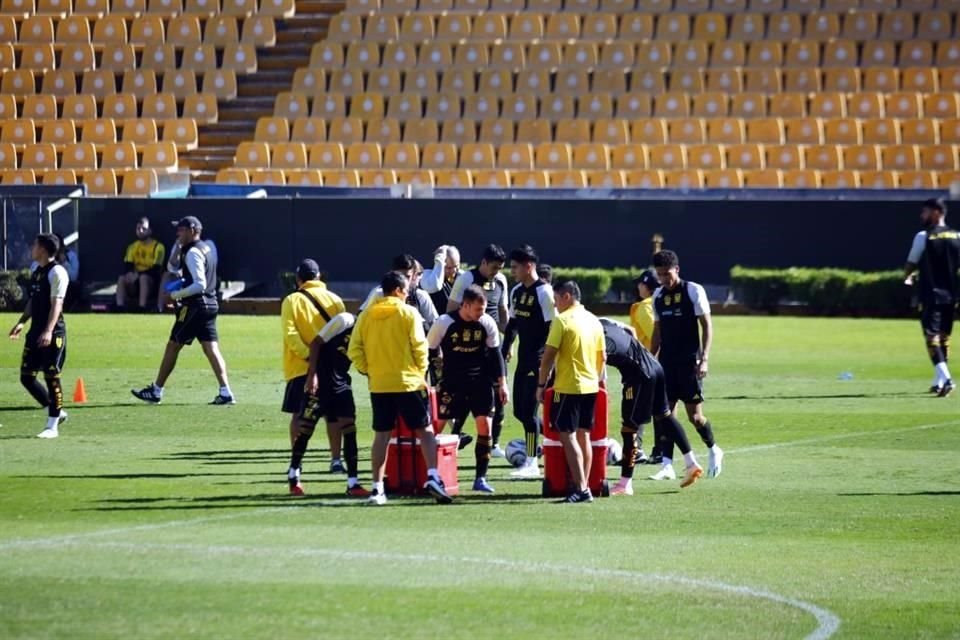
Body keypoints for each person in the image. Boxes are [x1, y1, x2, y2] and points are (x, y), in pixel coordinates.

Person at [348, 271, 453, 506]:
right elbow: (420, 347)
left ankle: (377, 488)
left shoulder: (366, 316)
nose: (407, 295)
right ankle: (433, 476)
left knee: (382, 435)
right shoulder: (408, 313)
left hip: (380, 384)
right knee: (425, 431)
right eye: (406, 291)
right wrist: (420, 373)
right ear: (397, 290)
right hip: (409, 382)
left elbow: (354, 349)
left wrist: (369, 371)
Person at [131, 216, 235, 405]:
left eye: (181, 230)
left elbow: (200, 285)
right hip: (210, 304)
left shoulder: (193, 252)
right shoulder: (204, 247)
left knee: (173, 345)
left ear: (192, 230)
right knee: (211, 348)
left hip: (196, 306)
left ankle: (156, 390)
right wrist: (178, 248)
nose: (178, 232)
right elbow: (172, 266)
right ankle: (226, 392)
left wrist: (175, 295)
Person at [279, 259, 358, 496]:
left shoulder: (292, 300)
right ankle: (336, 460)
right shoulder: (335, 300)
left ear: (299, 279)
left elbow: (291, 334)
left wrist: (307, 357)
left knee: (299, 415)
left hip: (300, 368)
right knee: (334, 417)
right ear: (319, 277)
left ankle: (297, 462)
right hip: (333, 369)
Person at [600, 318, 703, 495]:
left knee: (629, 428)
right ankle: (691, 463)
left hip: (639, 376)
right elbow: (631, 329)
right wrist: (638, 354)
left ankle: (625, 484)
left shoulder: (591, 335)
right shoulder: (603, 321)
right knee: (665, 416)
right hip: (654, 366)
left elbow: (600, 359)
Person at [649, 250, 723, 480]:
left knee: (694, 417)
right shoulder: (658, 296)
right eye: (660, 275)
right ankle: (667, 465)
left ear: (677, 270)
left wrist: (705, 358)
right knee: (665, 414)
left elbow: (707, 326)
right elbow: (657, 332)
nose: (664, 279)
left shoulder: (693, 290)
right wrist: (650, 361)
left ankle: (714, 449)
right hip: (667, 364)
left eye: (667, 274)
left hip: (690, 362)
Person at [428, 284, 509, 494]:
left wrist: (503, 384)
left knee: (485, 427)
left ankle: (480, 478)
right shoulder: (444, 323)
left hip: (480, 383)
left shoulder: (486, 323)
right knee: (435, 428)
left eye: (483, 310)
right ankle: (428, 474)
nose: (481, 314)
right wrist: (430, 379)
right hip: (451, 383)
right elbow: (428, 351)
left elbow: (495, 355)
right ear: (465, 305)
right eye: (477, 310)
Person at [536, 281, 606, 503]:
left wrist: (541, 384)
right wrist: (596, 379)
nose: (555, 305)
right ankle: (584, 485)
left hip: (568, 387)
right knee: (584, 434)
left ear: (566, 296)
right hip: (591, 385)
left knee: (567, 435)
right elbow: (602, 357)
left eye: (556, 300)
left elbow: (548, 355)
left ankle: (582, 488)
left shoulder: (562, 320)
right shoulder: (593, 320)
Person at [296, 310, 369, 497]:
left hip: (341, 384)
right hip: (320, 382)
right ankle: (293, 475)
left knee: (350, 428)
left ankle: (353, 483)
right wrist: (312, 375)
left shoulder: (369, 332)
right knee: (306, 429)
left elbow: (362, 363)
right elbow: (315, 343)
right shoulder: (345, 320)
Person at [447, 244, 509, 453]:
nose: (496, 272)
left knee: (498, 393)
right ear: (483, 262)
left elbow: (502, 309)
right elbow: (452, 308)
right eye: (493, 267)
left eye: (500, 268)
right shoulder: (467, 279)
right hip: (469, 345)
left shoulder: (500, 280)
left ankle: (495, 443)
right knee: (462, 394)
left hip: (491, 345)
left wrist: (505, 341)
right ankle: (454, 436)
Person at [9, 234, 70, 439]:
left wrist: (49, 331)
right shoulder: (36, 271)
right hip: (35, 331)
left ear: (43, 249)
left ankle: (52, 426)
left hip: (53, 333)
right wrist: (21, 322)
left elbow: (57, 305)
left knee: (51, 377)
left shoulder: (57, 273)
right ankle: (56, 411)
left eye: (34, 245)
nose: (31, 248)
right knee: (26, 377)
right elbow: (33, 301)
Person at [501, 244, 554, 478]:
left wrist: (547, 363)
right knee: (520, 413)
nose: (511, 271)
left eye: (514, 267)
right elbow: (512, 325)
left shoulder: (544, 293)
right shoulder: (517, 291)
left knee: (529, 412)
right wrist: (503, 351)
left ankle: (532, 462)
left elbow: (554, 329)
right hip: (523, 360)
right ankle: (555, 436)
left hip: (539, 362)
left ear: (528, 266)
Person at [904, 198, 960, 397]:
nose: (922, 216)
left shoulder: (924, 236)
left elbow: (911, 262)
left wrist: (907, 276)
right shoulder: (957, 236)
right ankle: (938, 382)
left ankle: (947, 380)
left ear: (937, 212)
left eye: (925, 212)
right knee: (944, 337)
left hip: (931, 294)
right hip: (952, 295)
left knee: (931, 337)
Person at [628, 268, 659, 463]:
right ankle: (660, 449)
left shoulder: (646, 307)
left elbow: (658, 336)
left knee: (637, 408)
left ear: (646, 285)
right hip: (656, 365)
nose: (638, 286)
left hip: (648, 365)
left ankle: (637, 449)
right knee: (659, 409)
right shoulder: (658, 303)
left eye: (640, 283)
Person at [360, 253, 438, 330]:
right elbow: (361, 320)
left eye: (407, 277)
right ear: (392, 273)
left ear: (414, 275)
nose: (403, 281)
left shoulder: (420, 296)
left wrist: (419, 322)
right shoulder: (379, 293)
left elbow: (434, 325)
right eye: (399, 276)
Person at [116, 217, 166, 312]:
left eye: (144, 229)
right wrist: (130, 274)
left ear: (150, 231)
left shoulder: (158, 247)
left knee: (143, 277)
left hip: (151, 283)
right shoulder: (132, 247)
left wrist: (138, 275)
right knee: (122, 278)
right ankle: (119, 307)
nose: (140, 231)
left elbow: (156, 269)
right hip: (134, 283)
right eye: (138, 229)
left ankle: (142, 307)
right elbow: (128, 265)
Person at [421, 245, 462, 313]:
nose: (454, 270)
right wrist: (440, 260)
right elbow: (435, 286)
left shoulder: (461, 276)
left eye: (456, 266)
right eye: (449, 268)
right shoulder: (426, 276)